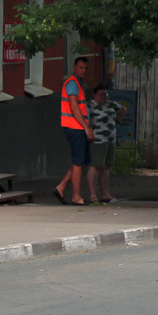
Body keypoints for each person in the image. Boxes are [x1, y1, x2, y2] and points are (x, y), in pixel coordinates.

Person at [54, 57, 93, 205]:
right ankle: (76, 196)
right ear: (74, 67)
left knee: (83, 160)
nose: (84, 71)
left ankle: (62, 186)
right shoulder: (72, 83)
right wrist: (86, 127)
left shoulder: (77, 83)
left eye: (86, 68)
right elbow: (74, 107)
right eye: (81, 67)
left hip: (78, 126)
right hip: (75, 127)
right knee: (78, 162)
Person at [87, 84, 125, 204]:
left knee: (106, 166)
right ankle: (92, 195)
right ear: (94, 95)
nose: (103, 97)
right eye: (101, 95)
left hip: (110, 138)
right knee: (95, 165)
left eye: (105, 94)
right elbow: (84, 119)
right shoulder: (90, 106)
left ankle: (105, 193)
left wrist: (118, 120)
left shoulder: (110, 104)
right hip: (98, 139)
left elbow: (123, 108)